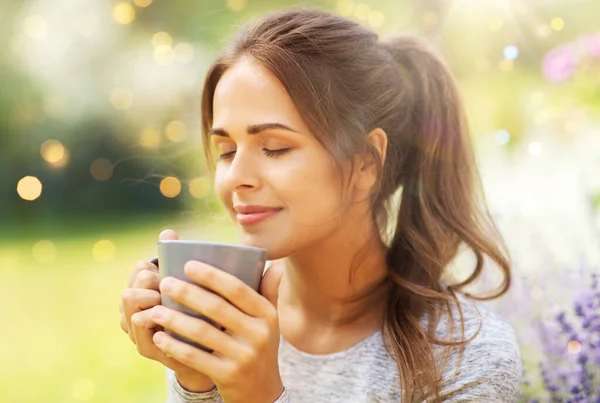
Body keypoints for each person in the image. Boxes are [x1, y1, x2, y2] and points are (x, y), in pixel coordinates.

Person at [119, 7, 522, 403]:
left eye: (274, 148)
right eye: (226, 150)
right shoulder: (223, 325)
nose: (236, 176)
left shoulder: (467, 356)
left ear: (365, 162)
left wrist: (259, 395)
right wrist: (196, 381)